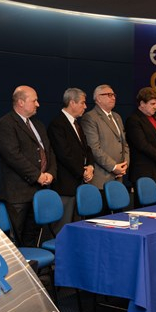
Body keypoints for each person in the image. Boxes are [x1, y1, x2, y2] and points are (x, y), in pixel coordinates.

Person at [0, 85, 56, 246]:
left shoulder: (38, 125)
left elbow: (48, 151)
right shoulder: (6, 124)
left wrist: (51, 173)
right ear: (21, 102)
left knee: (33, 239)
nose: (38, 104)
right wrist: (37, 176)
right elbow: (13, 156)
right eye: (34, 101)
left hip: (39, 191)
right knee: (17, 242)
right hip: (18, 195)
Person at [47, 88, 94, 230]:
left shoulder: (76, 124)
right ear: (72, 103)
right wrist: (82, 172)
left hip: (79, 184)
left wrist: (90, 166)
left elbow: (87, 149)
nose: (85, 106)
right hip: (65, 185)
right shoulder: (57, 124)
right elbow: (64, 154)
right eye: (82, 103)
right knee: (64, 227)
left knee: (78, 226)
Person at [125, 87, 156, 197]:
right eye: (152, 104)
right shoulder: (134, 120)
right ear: (142, 104)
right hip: (144, 172)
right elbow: (142, 145)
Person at [80, 84, 129, 190]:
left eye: (114, 95)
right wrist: (114, 167)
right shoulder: (90, 118)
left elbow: (124, 144)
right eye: (109, 95)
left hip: (119, 177)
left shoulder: (117, 117)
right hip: (101, 179)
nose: (113, 98)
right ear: (98, 98)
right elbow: (94, 148)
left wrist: (125, 165)